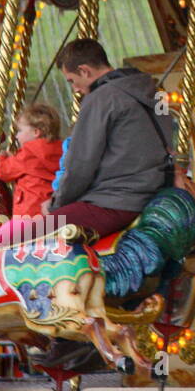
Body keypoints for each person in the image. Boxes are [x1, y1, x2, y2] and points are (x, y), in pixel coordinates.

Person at [48, 38, 174, 240]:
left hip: (117, 201)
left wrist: (56, 204)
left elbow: (81, 163)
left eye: (72, 81)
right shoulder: (156, 90)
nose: (76, 89)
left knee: (12, 237)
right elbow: (170, 136)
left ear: (84, 71)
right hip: (158, 193)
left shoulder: (100, 99)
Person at [0, 104, 64, 248]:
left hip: (28, 215)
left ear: (36, 132)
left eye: (20, 131)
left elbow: (4, 173)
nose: (16, 136)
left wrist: (3, 158)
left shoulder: (29, 152)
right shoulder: (60, 150)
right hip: (51, 214)